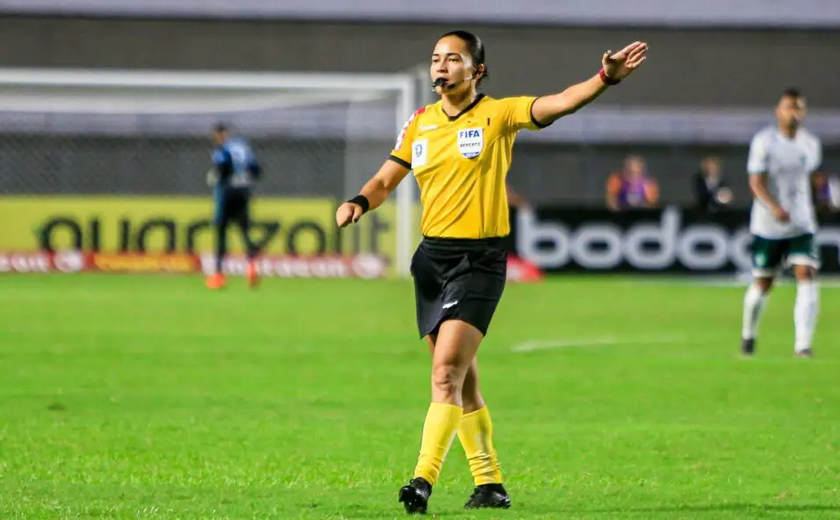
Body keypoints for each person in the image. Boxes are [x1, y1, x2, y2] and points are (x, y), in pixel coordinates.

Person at [335, 30, 647, 514]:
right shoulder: (419, 123)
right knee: (464, 384)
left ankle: (421, 480)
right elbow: (384, 179)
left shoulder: (498, 115)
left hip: (479, 261)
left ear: (476, 71)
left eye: (453, 59)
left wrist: (605, 77)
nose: (441, 66)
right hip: (432, 263)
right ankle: (490, 484)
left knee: (445, 377)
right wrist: (359, 202)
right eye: (436, 58)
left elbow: (560, 103)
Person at [741, 88, 822, 358]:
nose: (794, 113)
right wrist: (774, 207)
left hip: (802, 224)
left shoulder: (810, 144)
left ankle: (803, 345)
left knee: (806, 274)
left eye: (799, 108)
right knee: (763, 283)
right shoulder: (765, 142)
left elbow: (807, 180)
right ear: (779, 111)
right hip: (769, 225)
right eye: (789, 107)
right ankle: (748, 336)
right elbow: (755, 182)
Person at [205, 123, 262, 290]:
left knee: (221, 231)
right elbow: (256, 170)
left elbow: (223, 168)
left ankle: (218, 275)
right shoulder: (243, 146)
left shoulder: (222, 149)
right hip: (243, 191)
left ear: (220, 134)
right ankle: (251, 266)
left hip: (227, 192)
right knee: (244, 231)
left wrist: (216, 177)